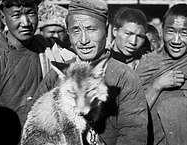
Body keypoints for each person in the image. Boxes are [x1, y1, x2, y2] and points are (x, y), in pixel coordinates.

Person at [27, 0, 148, 144]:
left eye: (91, 29)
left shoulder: (125, 77)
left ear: (107, 29)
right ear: (68, 33)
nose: (84, 40)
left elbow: (134, 136)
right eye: (76, 30)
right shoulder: (58, 74)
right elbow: (33, 121)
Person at [136, 3, 187, 145]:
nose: (175, 41)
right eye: (170, 31)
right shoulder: (148, 63)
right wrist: (156, 86)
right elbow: (133, 115)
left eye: (184, 33)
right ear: (162, 31)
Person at [0, 0, 54, 131]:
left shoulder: (47, 48)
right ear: (3, 17)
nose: (26, 23)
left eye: (30, 13)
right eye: (16, 15)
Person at [37, 1, 76, 72]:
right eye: (51, 32)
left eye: (60, 32)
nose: (56, 36)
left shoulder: (73, 53)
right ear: (41, 32)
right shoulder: (37, 52)